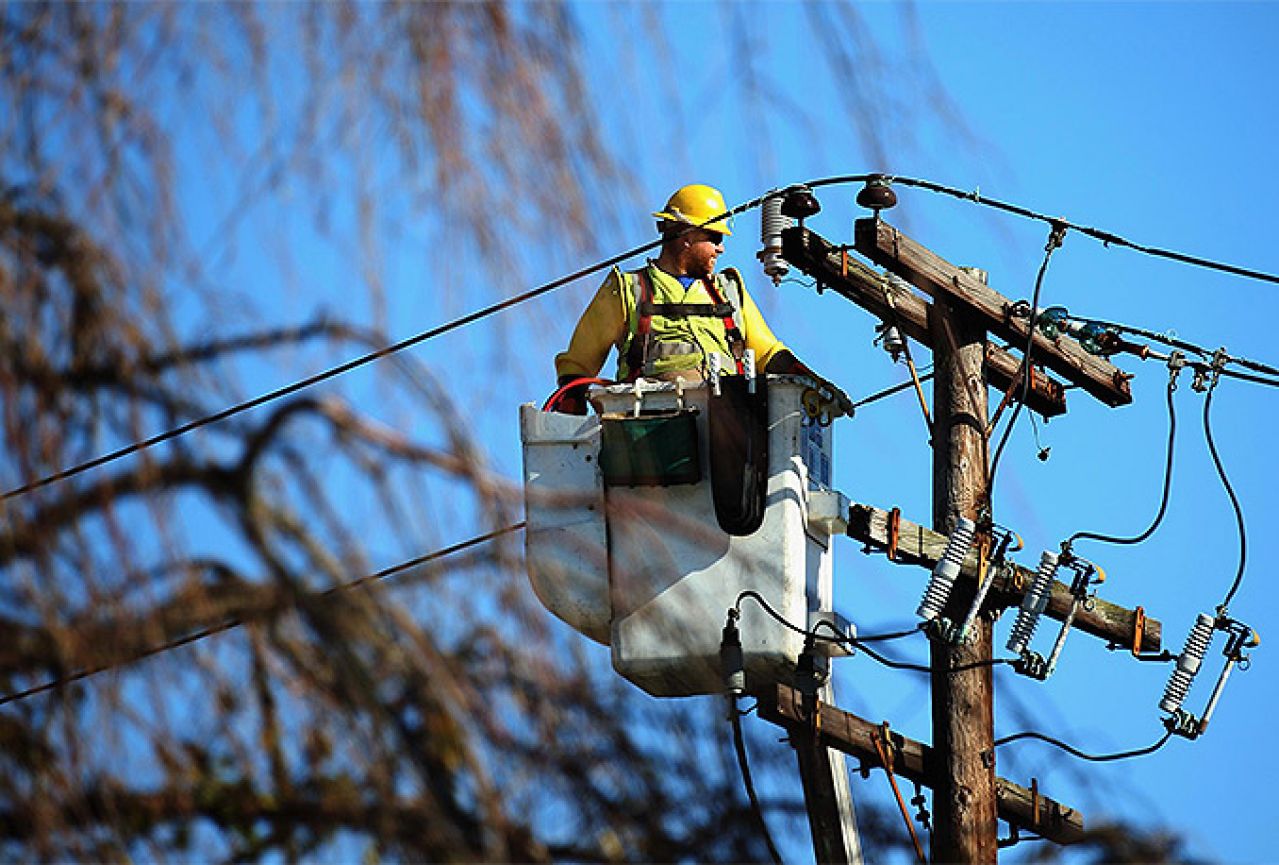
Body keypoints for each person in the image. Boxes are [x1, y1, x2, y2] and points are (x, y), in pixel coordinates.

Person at [553, 183, 852, 415]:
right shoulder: (627, 289)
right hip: (650, 422)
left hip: (729, 421)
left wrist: (816, 386)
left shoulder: (729, 291)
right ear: (687, 235)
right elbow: (577, 366)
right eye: (715, 238)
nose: (721, 249)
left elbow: (768, 355)